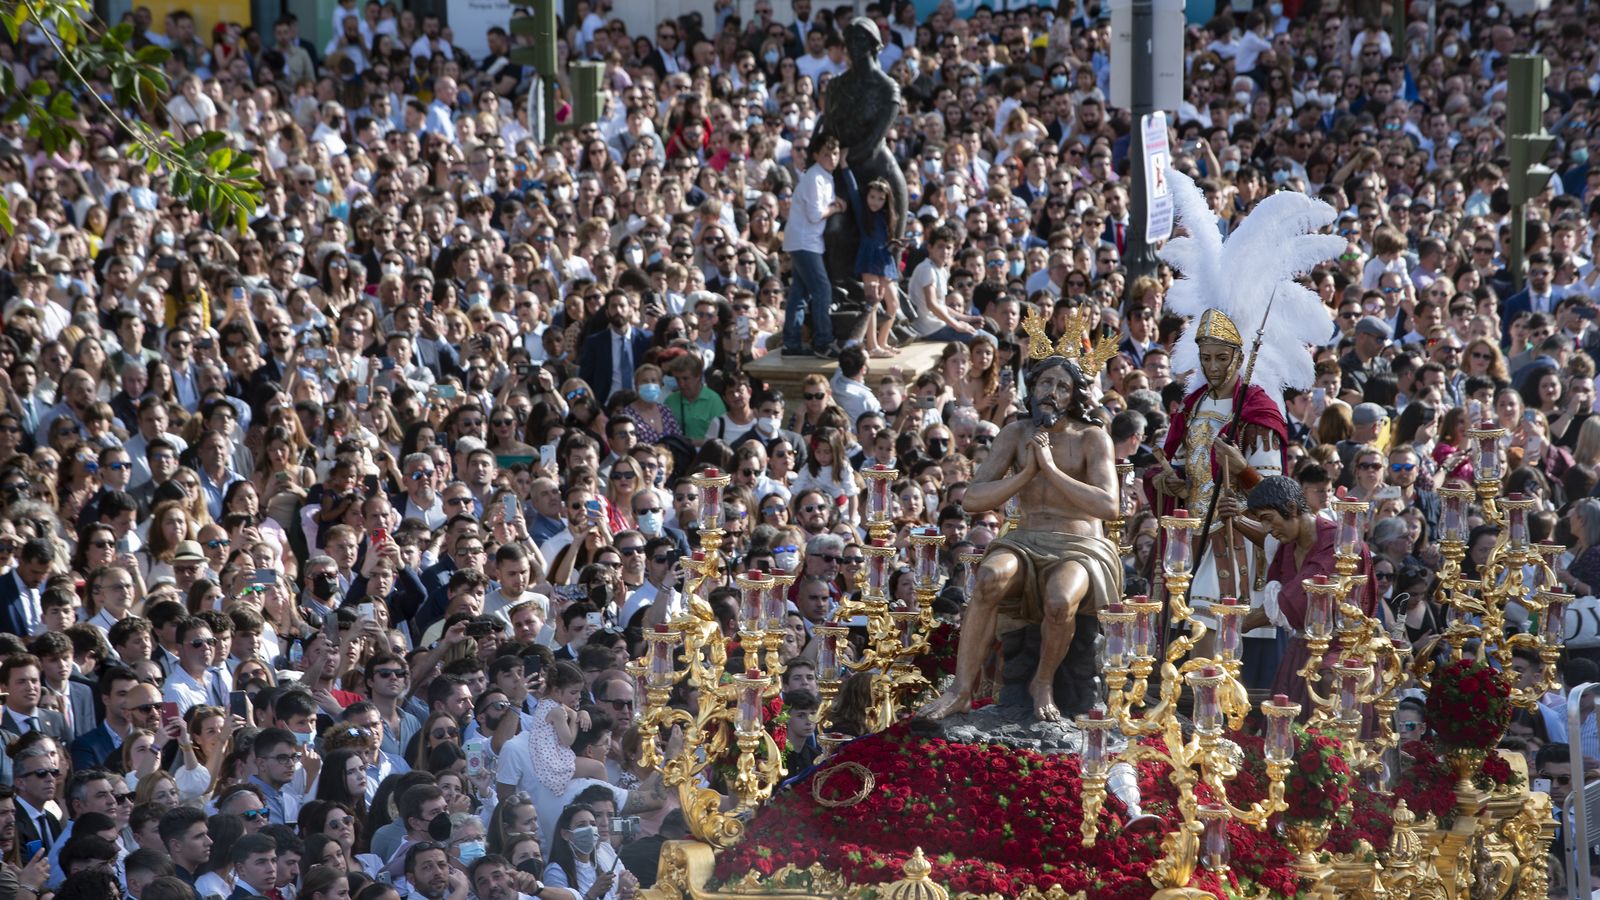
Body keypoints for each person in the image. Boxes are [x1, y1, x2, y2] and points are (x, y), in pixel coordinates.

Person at [921, 353, 1122, 722]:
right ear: (1033, 389)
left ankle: (1042, 682)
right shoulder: (1015, 433)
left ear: (1075, 395)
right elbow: (972, 499)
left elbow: (1110, 506)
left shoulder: (1092, 438)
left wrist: (1050, 469)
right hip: (1025, 539)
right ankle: (961, 689)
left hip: (1080, 546)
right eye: (1046, 383)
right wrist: (1026, 472)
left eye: (1063, 386)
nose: (1052, 392)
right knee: (987, 578)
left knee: (1060, 600)